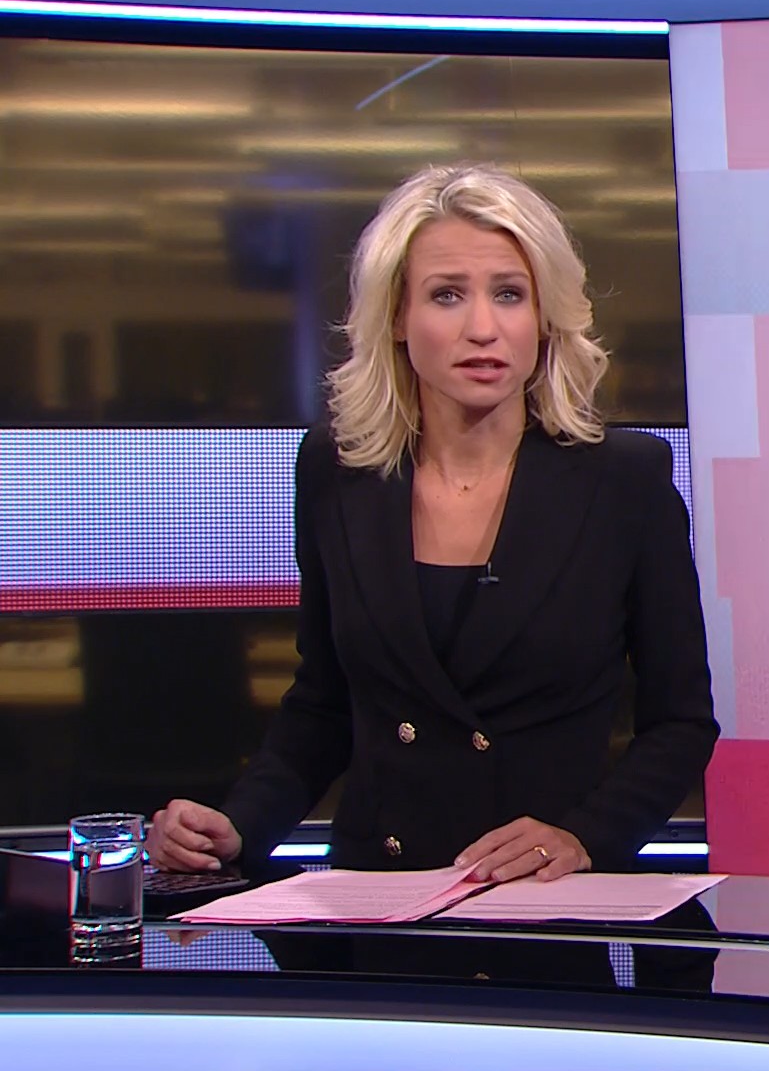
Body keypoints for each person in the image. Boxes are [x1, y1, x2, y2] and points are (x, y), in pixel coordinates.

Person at [145, 163, 718, 984]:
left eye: (509, 294)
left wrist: (584, 836)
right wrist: (238, 827)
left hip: (539, 922)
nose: (484, 327)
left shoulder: (624, 481)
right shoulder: (338, 471)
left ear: (545, 317)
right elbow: (325, 701)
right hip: (372, 922)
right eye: (448, 295)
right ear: (397, 317)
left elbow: (680, 723)